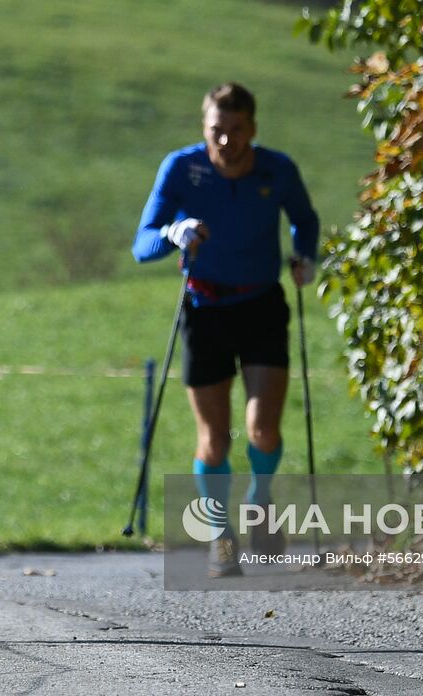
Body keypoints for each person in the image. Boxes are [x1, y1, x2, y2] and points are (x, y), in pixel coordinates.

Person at [132, 82, 318, 576]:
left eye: (237, 130)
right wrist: (174, 232)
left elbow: (305, 218)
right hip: (204, 309)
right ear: (205, 129)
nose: (227, 141)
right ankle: (221, 534)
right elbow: (142, 243)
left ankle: (260, 503)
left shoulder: (276, 169)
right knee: (214, 439)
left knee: (263, 428)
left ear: (253, 129)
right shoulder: (181, 168)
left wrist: (305, 256)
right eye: (218, 130)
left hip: (261, 305)